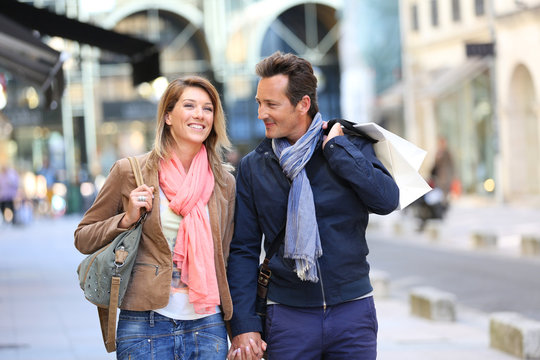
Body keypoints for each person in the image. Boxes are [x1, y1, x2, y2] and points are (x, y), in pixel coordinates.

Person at [226, 51, 400, 360]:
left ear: (303, 104)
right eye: (259, 103)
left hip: (352, 312)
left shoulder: (348, 145)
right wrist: (244, 325)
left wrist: (338, 150)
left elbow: (387, 200)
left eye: (271, 105)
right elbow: (243, 250)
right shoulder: (255, 166)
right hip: (288, 318)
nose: (261, 113)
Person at [75, 76, 236, 360]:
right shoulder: (130, 171)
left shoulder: (224, 182)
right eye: (189, 105)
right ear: (168, 116)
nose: (200, 114)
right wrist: (125, 219)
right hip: (144, 325)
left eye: (208, 108)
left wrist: (243, 328)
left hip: (208, 325)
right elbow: (83, 237)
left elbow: (232, 255)